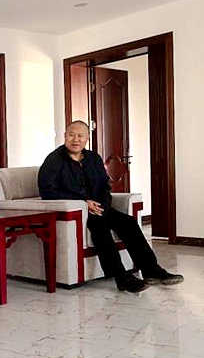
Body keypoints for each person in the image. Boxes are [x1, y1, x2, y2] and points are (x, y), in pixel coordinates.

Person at [38, 120, 183, 293]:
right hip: (78, 212)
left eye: (80, 136)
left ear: (87, 138)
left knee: (128, 222)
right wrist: (84, 203)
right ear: (64, 136)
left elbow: (105, 187)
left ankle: (151, 270)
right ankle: (121, 277)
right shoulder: (53, 161)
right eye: (71, 135)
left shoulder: (94, 159)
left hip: (100, 208)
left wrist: (102, 206)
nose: (75, 139)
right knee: (100, 228)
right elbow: (48, 191)